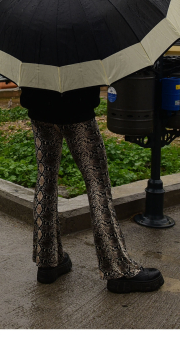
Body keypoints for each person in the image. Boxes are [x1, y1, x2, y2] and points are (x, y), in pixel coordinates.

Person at [19, 85, 164, 293]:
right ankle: (117, 268)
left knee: (46, 179)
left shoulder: (33, 50)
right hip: (77, 109)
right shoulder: (78, 49)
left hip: (39, 108)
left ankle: (47, 261)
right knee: (97, 184)